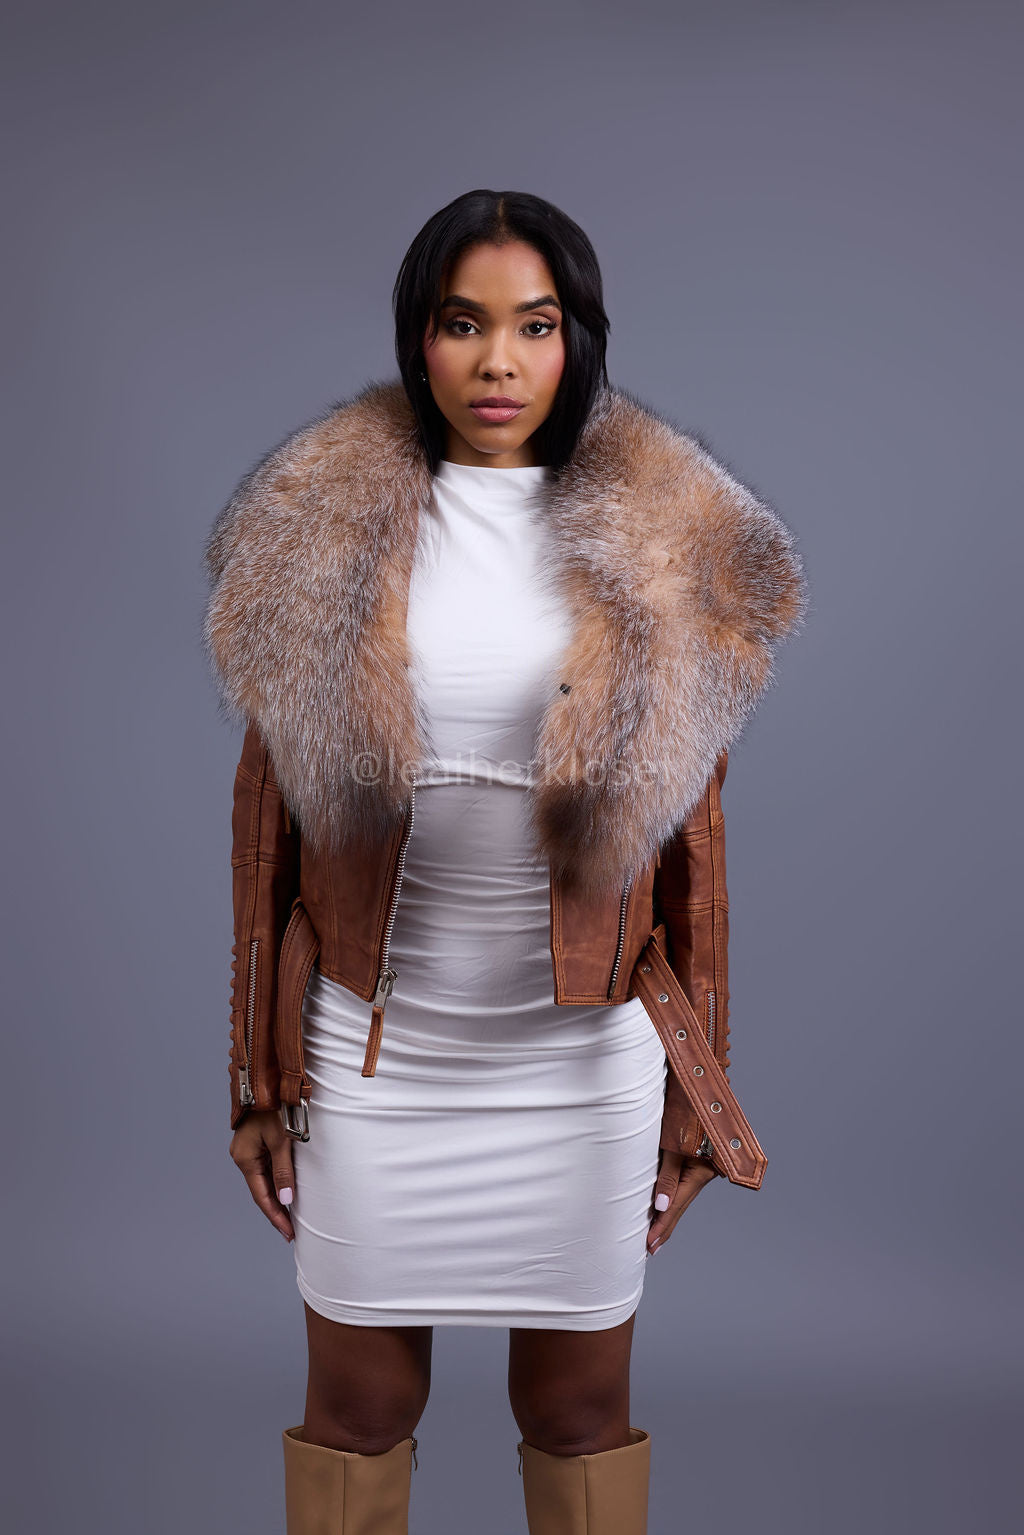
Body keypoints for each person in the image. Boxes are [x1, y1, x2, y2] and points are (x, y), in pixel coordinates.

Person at [202, 188, 808, 1535]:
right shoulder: (322, 534)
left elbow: (695, 855)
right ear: (417, 339)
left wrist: (698, 1096)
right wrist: (256, 1077)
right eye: (461, 322)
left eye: (534, 325)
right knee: (357, 1410)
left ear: (577, 338)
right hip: (375, 1056)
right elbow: (267, 836)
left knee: (579, 1417)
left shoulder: (663, 549)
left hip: (579, 1065)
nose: (497, 361)